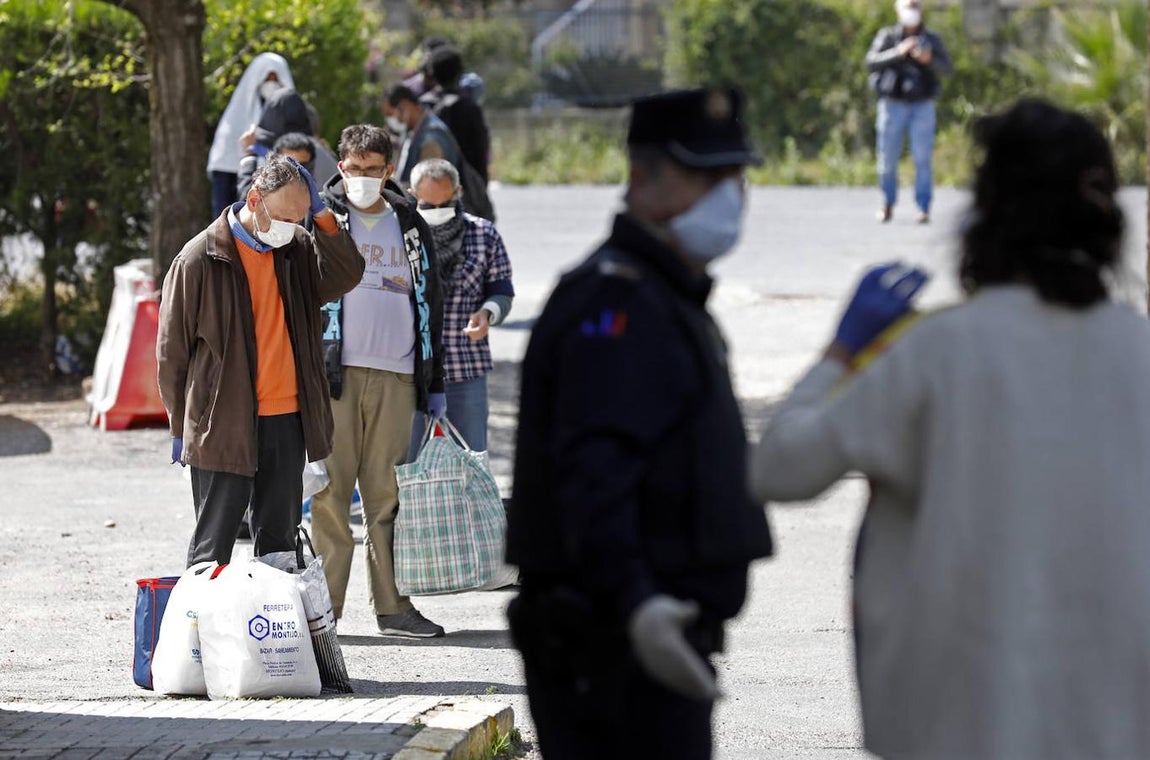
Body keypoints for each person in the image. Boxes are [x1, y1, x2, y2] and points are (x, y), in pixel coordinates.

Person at [749, 99, 1148, 759]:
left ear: (986, 215)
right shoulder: (1140, 352)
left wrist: (838, 356)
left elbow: (779, 469)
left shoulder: (937, 350)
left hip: (955, 727)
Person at [505, 87, 774, 759]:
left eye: (736, 176)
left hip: (651, 636)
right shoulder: (617, 303)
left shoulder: (662, 292)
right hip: (613, 644)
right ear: (641, 179)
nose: (730, 195)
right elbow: (593, 469)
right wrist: (637, 605)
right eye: (707, 176)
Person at [157, 154, 364, 566]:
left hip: (287, 420)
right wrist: (180, 425)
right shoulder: (199, 259)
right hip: (223, 425)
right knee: (212, 549)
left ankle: (276, 629)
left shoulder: (297, 247)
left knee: (280, 547)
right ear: (254, 200)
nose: (291, 227)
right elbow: (171, 354)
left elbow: (346, 275)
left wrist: (323, 219)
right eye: (285, 216)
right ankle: (204, 627)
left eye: (300, 218)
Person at [308, 124, 448, 638]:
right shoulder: (320, 221)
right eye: (354, 169)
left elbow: (431, 300)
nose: (362, 178)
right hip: (333, 377)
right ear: (339, 168)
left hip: (398, 375)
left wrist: (435, 382)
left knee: (387, 497)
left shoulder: (410, 225)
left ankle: (393, 607)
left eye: (373, 170)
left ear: (388, 171)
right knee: (330, 496)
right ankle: (325, 614)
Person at [405, 158, 513, 458]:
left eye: (444, 202)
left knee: (472, 461)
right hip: (409, 372)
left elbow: (501, 289)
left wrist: (488, 313)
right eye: (427, 204)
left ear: (458, 193)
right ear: (412, 194)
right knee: (406, 466)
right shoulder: (401, 235)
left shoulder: (483, 235)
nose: (436, 211)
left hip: (466, 369)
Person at [865, 0, 952, 224]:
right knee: (887, 159)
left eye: (915, 6)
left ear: (921, 10)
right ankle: (887, 203)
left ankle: (923, 208)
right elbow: (870, 62)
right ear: (897, 10)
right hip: (892, 104)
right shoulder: (888, 36)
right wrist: (898, 52)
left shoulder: (931, 39)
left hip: (922, 105)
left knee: (922, 159)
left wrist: (928, 59)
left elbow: (947, 69)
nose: (911, 12)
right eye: (907, 7)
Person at [207, 53, 294, 217]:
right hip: (231, 173)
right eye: (267, 78)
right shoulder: (237, 114)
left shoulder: (288, 113)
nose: (272, 84)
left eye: (276, 78)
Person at [423, 46, 491, 183]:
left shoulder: (422, 106)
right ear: (459, 73)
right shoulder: (469, 108)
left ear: (432, 73)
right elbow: (480, 149)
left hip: (428, 182)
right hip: (462, 183)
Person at [381, 84, 461, 188]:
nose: (390, 121)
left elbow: (430, 184)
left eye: (390, 114)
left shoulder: (431, 137)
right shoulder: (413, 131)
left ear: (405, 106)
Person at [237, 131, 316, 201]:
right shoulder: (266, 192)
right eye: (288, 165)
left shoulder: (316, 199)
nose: (295, 172)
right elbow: (248, 198)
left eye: (302, 165)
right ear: (274, 162)